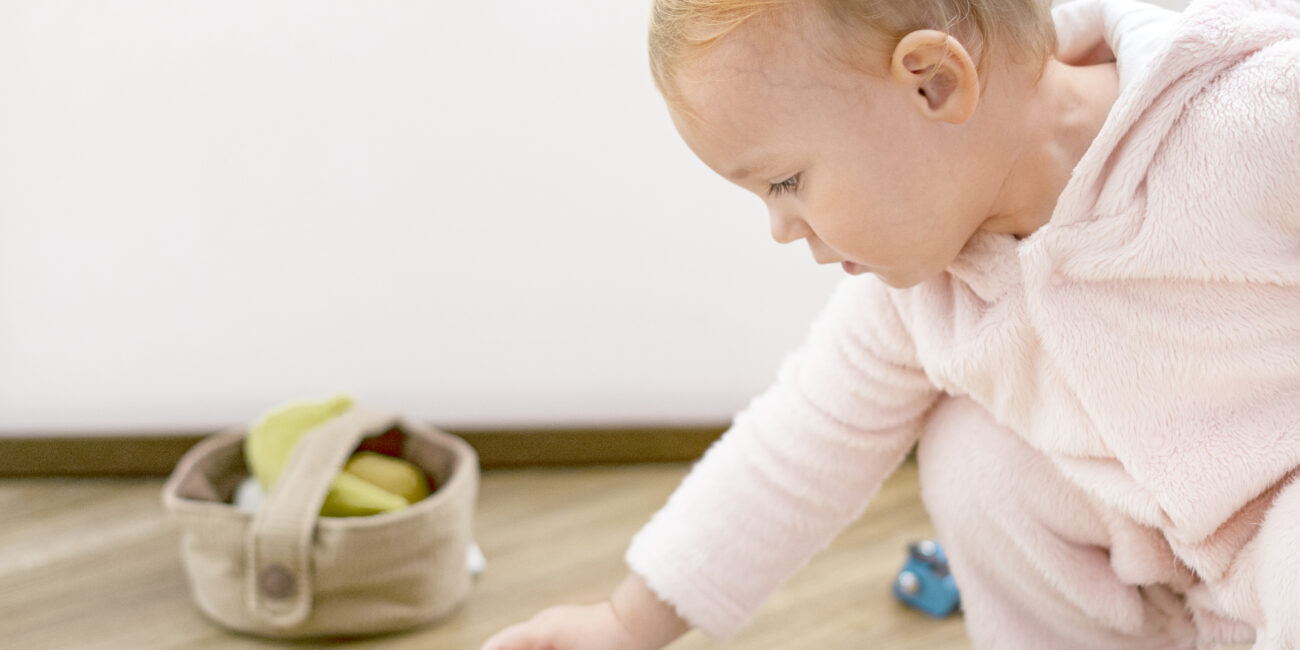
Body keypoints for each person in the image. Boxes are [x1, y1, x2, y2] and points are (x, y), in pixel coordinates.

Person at [482, 0, 1300, 647]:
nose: (781, 227)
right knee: (972, 460)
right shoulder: (923, 288)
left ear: (933, 83)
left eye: (787, 181)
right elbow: (802, 441)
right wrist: (626, 625)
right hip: (1182, 575)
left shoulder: (1248, 119)